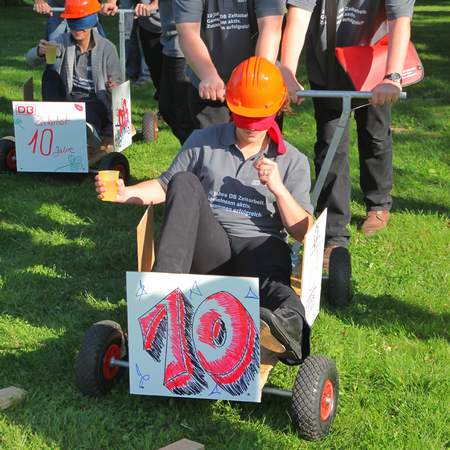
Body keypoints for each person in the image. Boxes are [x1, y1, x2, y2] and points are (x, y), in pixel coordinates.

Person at [95, 57, 314, 385]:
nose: (251, 127)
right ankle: (161, 302)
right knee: (184, 182)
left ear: (277, 111)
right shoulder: (204, 140)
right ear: (231, 107)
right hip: (211, 248)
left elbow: (302, 233)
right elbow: (165, 186)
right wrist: (126, 193)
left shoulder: (292, 160)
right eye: (244, 118)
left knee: (277, 290)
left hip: (259, 249)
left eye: (259, 119)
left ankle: (284, 330)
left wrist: (280, 190)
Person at [280, 0, 415, 267]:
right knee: (330, 147)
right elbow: (298, 15)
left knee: (375, 135)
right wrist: (287, 70)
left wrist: (393, 76)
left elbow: (400, 19)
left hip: (374, 68)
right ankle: (335, 233)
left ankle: (378, 203)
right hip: (327, 67)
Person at [174, 0, 286, 133]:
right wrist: (209, 76)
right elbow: (188, 32)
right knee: (214, 149)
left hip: (259, 87)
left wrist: (257, 78)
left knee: (261, 148)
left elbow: (270, 27)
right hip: (212, 87)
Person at [27, 0, 123, 144]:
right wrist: (40, 52)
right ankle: (53, 120)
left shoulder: (107, 49)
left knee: (89, 113)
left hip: (96, 102)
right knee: (50, 75)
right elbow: (30, 60)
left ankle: (88, 132)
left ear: (91, 22)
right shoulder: (64, 41)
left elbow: (119, 86)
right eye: (74, 22)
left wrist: (113, 87)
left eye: (81, 23)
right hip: (70, 101)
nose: (78, 29)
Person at [157, 0, 193, 144]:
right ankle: (191, 151)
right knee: (167, 109)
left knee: (183, 115)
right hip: (169, 47)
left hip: (183, 50)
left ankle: (192, 156)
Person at [33, 0, 111, 40]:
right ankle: (52, 68)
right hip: (59, 6)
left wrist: (111, 2)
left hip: (88, 7)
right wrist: (39, 1)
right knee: (53, 55)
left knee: (101, 48)